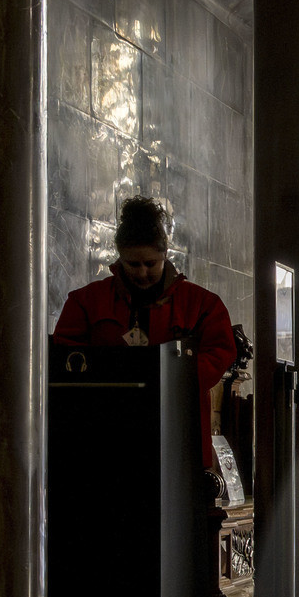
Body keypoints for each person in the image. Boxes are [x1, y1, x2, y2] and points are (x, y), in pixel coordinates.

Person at [52, 197, 237, 468]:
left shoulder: (202, 305)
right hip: (104, 437)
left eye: (150, 264)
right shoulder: (85, 302)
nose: (142, 273)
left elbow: (220, 352)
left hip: (177, 435)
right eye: (133, 264)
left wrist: (162, 379)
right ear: (119, 256)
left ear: (165, 255)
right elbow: (65, 356)